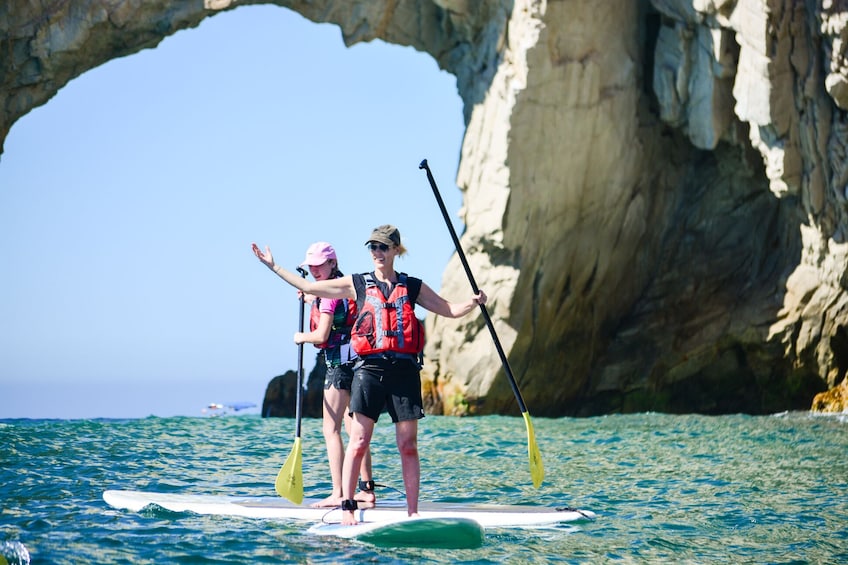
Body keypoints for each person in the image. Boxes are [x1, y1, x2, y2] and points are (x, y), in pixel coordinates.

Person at [251, 224, 487, 525]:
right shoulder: (357, 283)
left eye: (383, 247)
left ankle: (413, 514)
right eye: (373, 247)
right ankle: (348, 506)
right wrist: (274, 266)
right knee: (359, 439)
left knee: (408, 444)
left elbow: (450, 309)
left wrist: (474, 302)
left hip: (404, 370)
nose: (377, 252)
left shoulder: (412, 286)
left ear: (395, 251)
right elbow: (310, 288)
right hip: (369, 370)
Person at [294, 241, 375, 508]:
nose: (315, 270)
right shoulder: (343, 286)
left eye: (319, 265)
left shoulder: (328, 295)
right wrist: (309, 297)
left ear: (332, 263)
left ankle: (339, 492)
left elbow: (322, 335)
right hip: (357, 363)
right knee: (356, 431)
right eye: (312, 267)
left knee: (331, 429)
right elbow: (329, 302)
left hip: (339, 368)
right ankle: (366, 489)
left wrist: (300, 337)